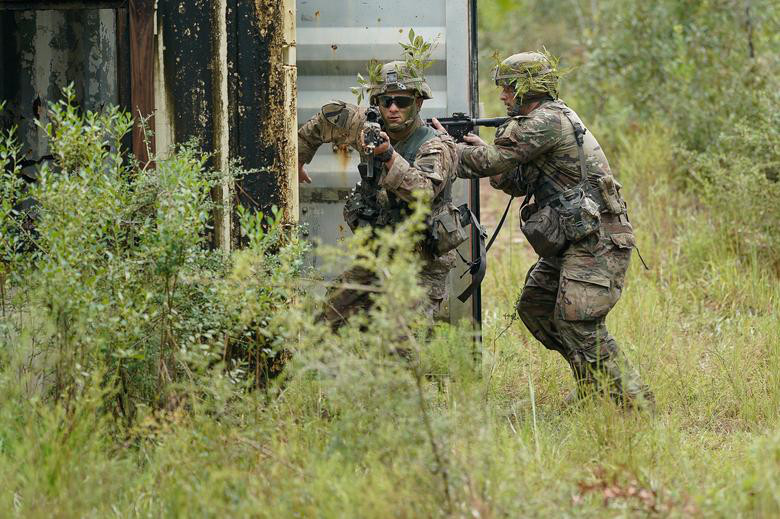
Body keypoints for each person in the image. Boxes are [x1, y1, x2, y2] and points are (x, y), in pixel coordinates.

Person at [436, 52, 653, 408]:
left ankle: (635, 404)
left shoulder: (547, 121)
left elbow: (491, 162)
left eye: (508, 88)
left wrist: (443, 147)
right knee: (536, 307)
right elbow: (515, 180)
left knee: (579, 323)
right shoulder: (541, 121)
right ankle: (594, 388)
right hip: (574, 238)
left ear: (528, 88)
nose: (503, 96)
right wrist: (480, 150)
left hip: (596, 241)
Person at [298, 60, 459, 328]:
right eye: (386, 101)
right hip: (380, 253)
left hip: (422, 259)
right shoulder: (366, 124)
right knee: (329, 319)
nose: (393, 108)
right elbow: (329, 116)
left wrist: (387, 155)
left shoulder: (435, 145)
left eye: (402, 101)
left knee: (404, 335)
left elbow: (422, 192)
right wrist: (299, 159)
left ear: (418, 103)